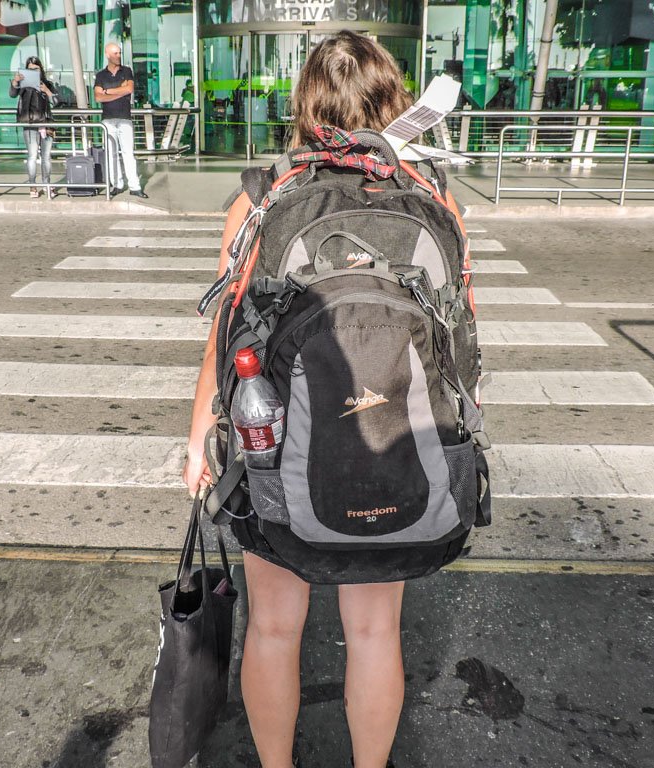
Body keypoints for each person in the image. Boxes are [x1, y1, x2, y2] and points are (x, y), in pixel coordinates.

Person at [183, 31, 469, 768]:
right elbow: (461, 348)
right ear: (394, 102)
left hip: (274, 450)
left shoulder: (261, 200)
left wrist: (197, 440)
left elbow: (224, 340)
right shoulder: (434, 203)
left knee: (274, 628)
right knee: (375, 633)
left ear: (306, 103)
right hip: (392, 451)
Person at [94, 42, 148, 198]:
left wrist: (108, 92)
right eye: (115, 53)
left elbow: (129, 89)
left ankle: (134, 186)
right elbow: (98, 97)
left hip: (125, 118)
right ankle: (116, 184)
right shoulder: (101, 75)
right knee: (111, 153)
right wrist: (120, 91)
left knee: (128, 153)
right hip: (108, 120)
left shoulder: (127, 71)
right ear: (108, 55)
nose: (118, 56)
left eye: (119, 53)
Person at [10, 56, 58, 198]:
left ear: (41, 69)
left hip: (46, 123)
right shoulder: (23, 86)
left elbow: (56, 101)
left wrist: (46, 90)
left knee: (46, 157)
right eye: (30, 70)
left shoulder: (47, 83)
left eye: (36, 69)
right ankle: (32, 186)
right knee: (32, 156)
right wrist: (15, 81)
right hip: (30, 123)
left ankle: (47, 184)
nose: (33, 72)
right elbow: (12, 94)